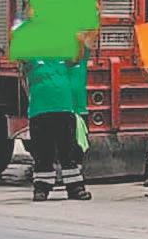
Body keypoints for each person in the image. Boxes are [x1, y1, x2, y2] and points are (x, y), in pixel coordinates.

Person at [21, 28, 96, 201]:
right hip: (39, 111)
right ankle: (42, 188)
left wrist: (78, 39)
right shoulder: (31, 59)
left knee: (68, 150)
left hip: (64, 109)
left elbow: (77, 57)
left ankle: (75, 188)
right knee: (43, 152)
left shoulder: (62, 57)